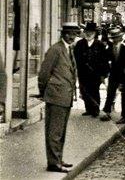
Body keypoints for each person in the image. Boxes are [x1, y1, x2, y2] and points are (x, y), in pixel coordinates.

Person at [38, 22, 79, 173]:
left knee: (60, 131)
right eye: (70, 34)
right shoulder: (55, 49)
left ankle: (58, 158)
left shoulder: (68, 49)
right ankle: (53, 163)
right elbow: (44, 73)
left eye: (75, 34)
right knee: (54, 132)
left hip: (65, 97)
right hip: (56, 96)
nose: (72, 37)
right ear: (64, 34)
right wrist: (43, 92)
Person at [74, 22, 109, 118]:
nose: (88, 34)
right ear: (84, 32)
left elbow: (104, 60)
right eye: (87, 32)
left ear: (95, 33)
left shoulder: (100, 45)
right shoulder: (80, 44)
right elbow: (75, 58)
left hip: (96, 73)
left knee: (94, 90)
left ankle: (95, 109)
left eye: (91, 32)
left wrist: (104, 74)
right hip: (83, 72)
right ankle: (88, 109)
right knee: (84, 90)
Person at [101, 26, 125, 121]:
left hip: (123, 75)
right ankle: (107, 112)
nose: (115, 40)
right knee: (110, 94)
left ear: (120, 38)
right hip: (113, 75)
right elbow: (104, 61)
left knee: (124, 95)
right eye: (113, 38)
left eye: (117, 38)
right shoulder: (109, 48)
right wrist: (104, 73)